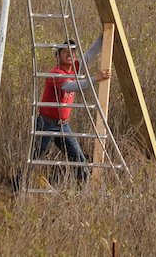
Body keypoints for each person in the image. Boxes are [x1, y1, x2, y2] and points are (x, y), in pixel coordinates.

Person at [27, 35, 110, 186]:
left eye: (72, 52)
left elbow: (89, 54)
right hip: (46, 124)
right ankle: (18, 187)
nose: (69, 54)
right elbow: (72, 86)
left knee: (79, 159)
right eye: (65, 52)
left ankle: (82, 192)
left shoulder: (74, 68)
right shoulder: (55, 73)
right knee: (34, 158)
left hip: (63, 125)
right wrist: (95, 79)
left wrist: (104, 35)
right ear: (57, 57)